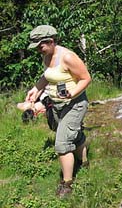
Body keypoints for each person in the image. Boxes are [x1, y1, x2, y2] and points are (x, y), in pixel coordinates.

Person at [25, 25, 91, 198]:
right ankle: (84, 161)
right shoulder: (47, 56)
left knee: (61, 143)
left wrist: (72, 93)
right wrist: (36, 90)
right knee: (72, 135)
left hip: (75, 104)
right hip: (57, 105)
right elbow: (47, 76)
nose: (39, 50)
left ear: (51, 42)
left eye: (41, 46)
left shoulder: (67, 57)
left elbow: (86, 78)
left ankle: (67, 184)